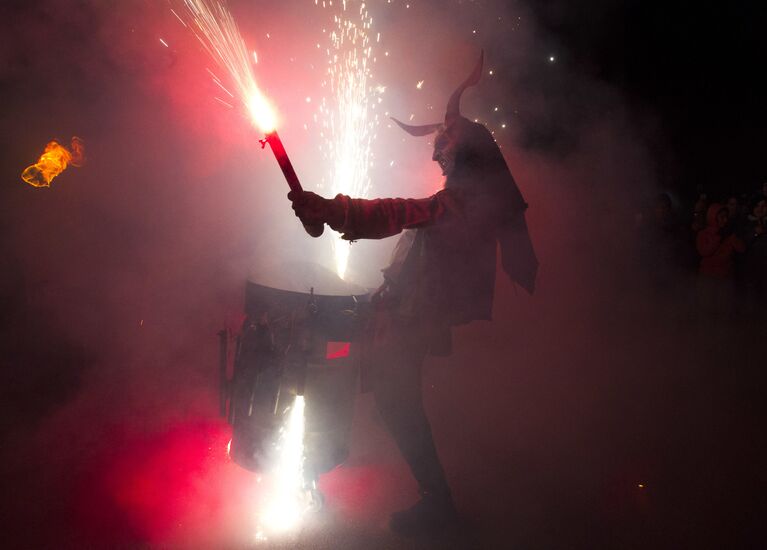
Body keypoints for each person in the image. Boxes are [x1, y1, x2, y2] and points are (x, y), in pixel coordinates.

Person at [288, 51, 538, 535]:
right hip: (399, 312)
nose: (434, 152)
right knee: (389, 400)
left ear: (465, 150)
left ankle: (434, 502)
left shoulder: (464, 203)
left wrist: (335, 209)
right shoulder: (464, 198)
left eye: (443, 143)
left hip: (409, 319)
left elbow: (398, 213)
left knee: (390, 401)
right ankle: (424, 496)